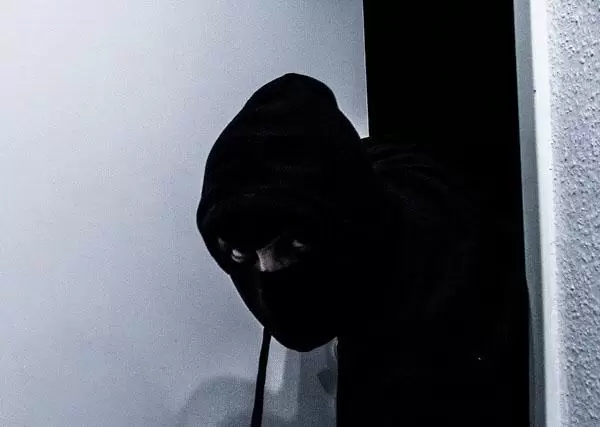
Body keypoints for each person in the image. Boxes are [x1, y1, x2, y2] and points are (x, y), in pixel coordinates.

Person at [196, 73, 529, 426]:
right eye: (241, 254)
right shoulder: (371, 174)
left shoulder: (429, 353)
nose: (269, 277)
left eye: (294, 244)